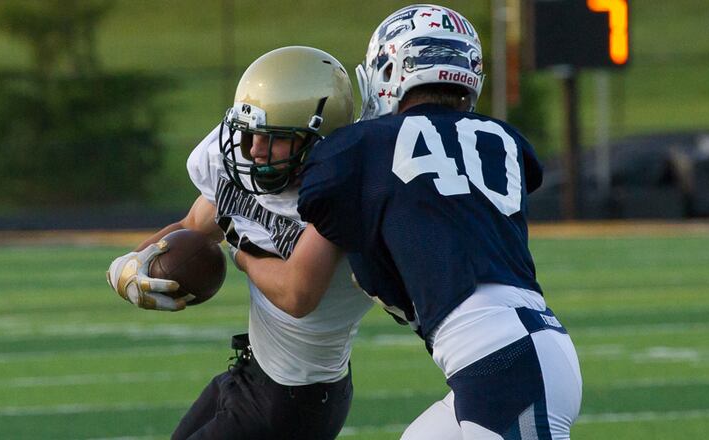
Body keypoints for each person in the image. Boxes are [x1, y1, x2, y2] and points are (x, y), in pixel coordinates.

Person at [234, 5, 582, 440]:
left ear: (388, 69)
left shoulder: (360, 149)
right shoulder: (504, 140)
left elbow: (300, 280)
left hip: (502, 364)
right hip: (518, 350)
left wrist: (239, 249)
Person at [106, 46, 372, 440]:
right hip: (252, 374)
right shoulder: (247, 165)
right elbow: (193, 226)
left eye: (274, 138)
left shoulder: (340, 194)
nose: (255, 150)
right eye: (249, 135)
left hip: (297, 399)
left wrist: (242, 255)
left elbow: (298, 295)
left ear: (319, 138)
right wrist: (131, 265)